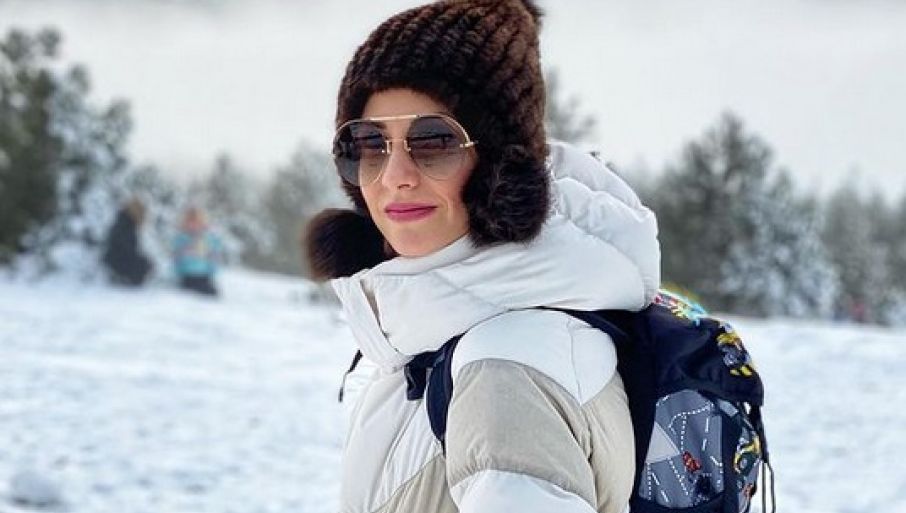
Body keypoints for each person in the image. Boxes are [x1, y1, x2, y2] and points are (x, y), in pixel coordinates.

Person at [305, 1, 661, 512]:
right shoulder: (443, 333)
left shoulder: (505, 368)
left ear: (498, 165)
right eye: (369, 143)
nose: (395, 175)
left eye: (433, 141)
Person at [172, 207, 222, 296]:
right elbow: (176, 259)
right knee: (191, 290)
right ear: (185, 223)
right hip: (187, 275)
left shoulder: (208, 239)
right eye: (190, 222)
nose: (193, 225)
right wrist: (184, 253)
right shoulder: (181, 238)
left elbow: (215, 255)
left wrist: (211, 264)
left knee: (212, 292)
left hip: (204, 275)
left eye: (197, 222)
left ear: (202, 223)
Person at [102, 197, 153, 286]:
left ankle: (124, 277)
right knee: (143, 265)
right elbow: (127, 247)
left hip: (116, 257)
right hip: (117, 259)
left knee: (144, 263)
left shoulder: (124, 221)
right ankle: (122, 278)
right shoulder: (126, 225)